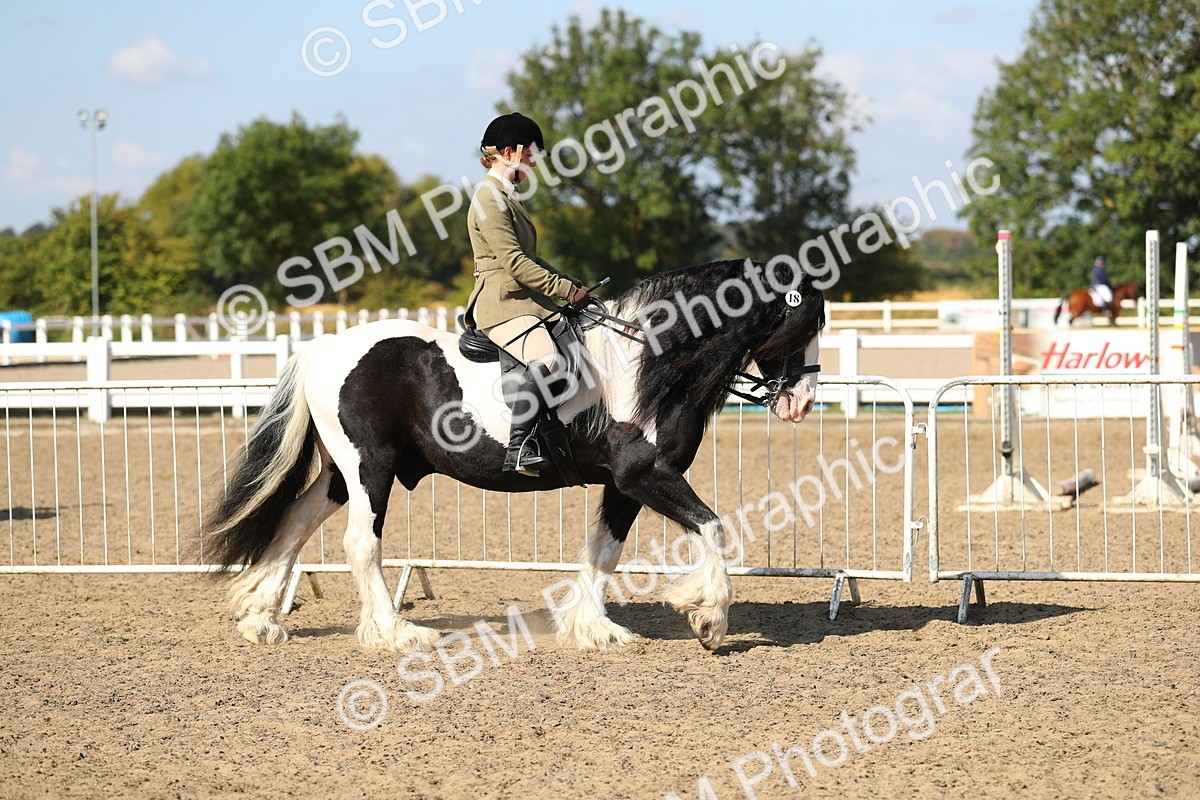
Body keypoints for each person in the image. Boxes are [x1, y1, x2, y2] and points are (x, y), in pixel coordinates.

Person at [463, 112, 592, 476]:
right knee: (548, 359)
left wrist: (573, 284)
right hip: (501, 304)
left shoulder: (508, 195)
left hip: (525, 302)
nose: (534, 162)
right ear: (510, 151)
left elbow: (533, 258)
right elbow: (516, 263)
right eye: (531, 154)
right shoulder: (488, 197)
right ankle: (519, 447)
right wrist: (565, 290)